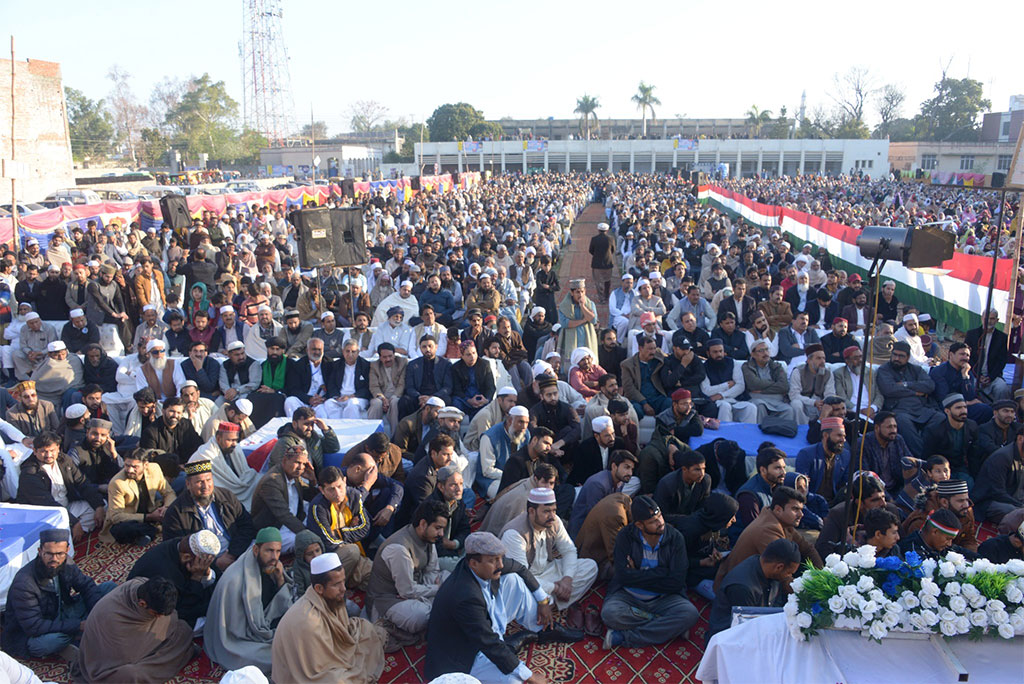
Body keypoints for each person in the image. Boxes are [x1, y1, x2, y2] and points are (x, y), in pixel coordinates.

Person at [424, 531, 567, 682]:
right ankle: (505, 647)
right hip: (463, 656)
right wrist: (529, 676)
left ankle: (542, 628)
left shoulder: (483, 566)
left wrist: (542, 601)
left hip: (480, 633)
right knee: (515, 681)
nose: (501, 565)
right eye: (494, 560)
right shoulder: (465, 595)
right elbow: (487, 642)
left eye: (500, 558)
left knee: (513, 579)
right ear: (473, 563)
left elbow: (520, 569)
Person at [1, 528, 115, 661]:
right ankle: (76, 637)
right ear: (40, 551)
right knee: (52, 641)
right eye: (49, 554)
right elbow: (34, 626)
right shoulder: (24, 583)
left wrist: (96, 613)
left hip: (62, 611)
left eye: (59, 554)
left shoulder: (67, 562)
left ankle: (80, 634)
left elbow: (86, 586)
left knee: (109, 588)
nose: (54, 559)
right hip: (34, 631)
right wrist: (79, 625)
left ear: (67, 550)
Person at [601, 495, 699, 649]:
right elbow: (622, 576)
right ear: (640, 525)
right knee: (609, 614)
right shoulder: (625, 536)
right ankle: (665, 624)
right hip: (628, 596)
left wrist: (636, 575)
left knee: (690, 614)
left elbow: (676, 582)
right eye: (653, 521)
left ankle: (623, 637)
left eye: (660, 517)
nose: (660, 523)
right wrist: (662, 572)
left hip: (664, 598)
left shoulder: (675, 538)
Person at [203, 527, 294, 674]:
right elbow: (235, 630)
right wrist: (266, 632)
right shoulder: (235, 580)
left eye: (278, 551)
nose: (274, 557)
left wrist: (280, 579)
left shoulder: (272, 566)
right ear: (256, 550)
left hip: (262, 624)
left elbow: (284, 602)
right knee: (279, 656)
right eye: (269, 550)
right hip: (239, 638)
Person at [75, 576, 196, 684]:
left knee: (184, 629)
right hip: (108, 666)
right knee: (132, 674)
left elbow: (169, 618)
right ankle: (175, 656)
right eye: (156, 614)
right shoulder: (112, 616)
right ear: (142, 604)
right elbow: (126, 657)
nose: (160, 617)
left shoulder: (143, 585)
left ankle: (170, 656)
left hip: (143, 647)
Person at [366, 499, 449, 647]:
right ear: (423, 524)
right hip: (389, 599)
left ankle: (433, 605)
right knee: (422, 616)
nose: (441, 533)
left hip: (414, 587)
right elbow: (407, 591)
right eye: (438, 528)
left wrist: (436, 588)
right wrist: (437, 589)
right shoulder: (399, 549)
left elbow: (432, 570)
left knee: (449, 579)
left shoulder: (428, 538)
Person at [500, 487, 597, 611]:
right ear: (531, 511)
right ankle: (549, 602)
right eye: (546, 511)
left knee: (590, 566)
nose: (552, 516)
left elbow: (569, 550)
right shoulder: (514, 534)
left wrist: (567, 579)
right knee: (523, 590)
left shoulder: (554, 521)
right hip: (527, 579)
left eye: (554, 510)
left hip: (549, 570)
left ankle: (550, 604)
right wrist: (555, 588)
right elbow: (522, 576)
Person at [715, 486, 822, 590]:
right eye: (795, 509)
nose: (801, 514)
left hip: (758, 583)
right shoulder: (768, 529)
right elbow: (783, 574)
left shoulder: (782, 522)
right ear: (778, 509)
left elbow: (808, 549)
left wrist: (822, 575)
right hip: (738, 589)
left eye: (801, 510)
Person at [163, 456, 257, 574]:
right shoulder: (176, 512)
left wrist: (232, 554)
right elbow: (179, 549)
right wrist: (215, 563)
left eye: (208, 480)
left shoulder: (226, 496)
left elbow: (247, 525)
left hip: (235, 550)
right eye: (199, 482)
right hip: (204, 563)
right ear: (188, 484)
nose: (205, 486)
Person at [17, 431, 106, 543]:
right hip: (46, 515)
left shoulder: (64, 460)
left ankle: (70, 535)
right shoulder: (30, 473)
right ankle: (65, 537)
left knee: (101, 507)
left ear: (58, 448)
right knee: (51, 534)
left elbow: (82, 482)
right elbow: (47, 503)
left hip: (66, 506)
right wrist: (73, 522)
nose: (49, 455)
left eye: (52, 451)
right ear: (35, 451)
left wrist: (98, 505)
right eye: (44, 451)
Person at [706, 538, 800, 643]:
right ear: (779, 567)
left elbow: (776, 603)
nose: (789, 577)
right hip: (729, 638)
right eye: (789, 573)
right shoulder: (743, 587)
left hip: (757, 626)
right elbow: (745, 630)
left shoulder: (768, 570)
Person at [127, 530, 221, 628]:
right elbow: (183, 611)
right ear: (186, 557)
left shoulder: (183, 546)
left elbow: (216, 574)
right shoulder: (165, 575)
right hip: (153, 611)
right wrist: (196, 578)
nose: (205, 565)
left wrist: (207, 573)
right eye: (204, 562)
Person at [304, 465, 373, 587]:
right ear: (322, 490)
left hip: (351, 552)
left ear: (345, 481)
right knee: (352, 551)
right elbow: (328, 542)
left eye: (340, 487)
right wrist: (350, 530)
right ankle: (330, 589)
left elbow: (365, 528)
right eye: (331, 489)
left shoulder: (355, 496)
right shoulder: (318, 507)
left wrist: (339, 532)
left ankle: (349, 581)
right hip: (330, 555)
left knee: (376, 575)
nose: (338, 493)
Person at [100, 448, 176, 546]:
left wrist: (166, 508)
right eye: (127, 465)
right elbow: (116, 517)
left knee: (177, 508)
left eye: (135, 466)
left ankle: (147, 532)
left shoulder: (154, 468)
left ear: (145, 465)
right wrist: (149, 517)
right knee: (121, 530)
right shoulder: (117, 483)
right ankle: (155, 529)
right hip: (131, 518)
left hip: (151, 509)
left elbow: (169, 493)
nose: (130, 470)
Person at [252, 443, 318, 553]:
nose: (300, 468)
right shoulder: (272, 481)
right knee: (308, 543)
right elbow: (284, 515)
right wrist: (307, 534)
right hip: (275, 531)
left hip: (292, 525)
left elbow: (312, 497)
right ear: (284, 461)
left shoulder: (294, 476)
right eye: (297, 463)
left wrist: (313, 480)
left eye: (303, 464)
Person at [192, 421, 260, 508]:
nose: (234, 444)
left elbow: (245, 472)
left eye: (236, 440)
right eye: (230, 440)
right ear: (218, 438)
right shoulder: (206, 455)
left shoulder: (236, 448)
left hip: (238, 485)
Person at [570, 450, 636, 538]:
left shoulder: (621, 480)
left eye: (632, 469)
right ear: (614, 466)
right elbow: (594, 516)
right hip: (582, 531)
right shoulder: (598, 484)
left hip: (602, 525)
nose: (630, 473)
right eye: (626, 467)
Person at [902, 478, 980, 553]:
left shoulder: (965, 511)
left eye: (967, 500)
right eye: (960, 501)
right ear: (944, 502)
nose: (966, 505)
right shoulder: (923, 521)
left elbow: (969, 540)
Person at [267, 406, 341, 473]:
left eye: (312, 424)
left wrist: (325, 429)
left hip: (313, 481)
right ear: (294, 424)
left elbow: (333, 448)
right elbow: (285, 472)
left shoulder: (314, 437)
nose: (310, 428)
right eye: (306, 424)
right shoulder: (285, 443)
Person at [700, 339, 757, 423]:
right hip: (717, 402)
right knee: (725, 406)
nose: (719, 354)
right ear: (708, 353)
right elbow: (706, 390)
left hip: (735, 399)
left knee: (751, 407)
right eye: (715, 352)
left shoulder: (733, 363)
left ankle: (748, 434)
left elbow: (740, 386)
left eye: (720, 351)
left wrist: (721, 395)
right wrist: (726, 385)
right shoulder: (703, 367)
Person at [795, 417, 851, 502]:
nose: (843, 440)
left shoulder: (845, 455)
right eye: (839, 435)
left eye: (844, 436)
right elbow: (802, 487)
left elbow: (845, 485)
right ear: (825, 435)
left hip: (835, 504)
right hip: (811, 502)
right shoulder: (806, 454)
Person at [741, 339, 795, 423]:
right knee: (760, 406)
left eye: (767, 349)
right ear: (753, 354)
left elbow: (784, 386)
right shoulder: (747, 366)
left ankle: (784, 434)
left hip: (777, 400)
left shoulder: (777, 366)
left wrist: (763, 390)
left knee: (788, 410)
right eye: (761, 351)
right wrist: (774, 383)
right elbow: (754, 384)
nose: (765, 353)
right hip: (757, 399)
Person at [654, 449, 712, 527]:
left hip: (694, 520)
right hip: (671, 524)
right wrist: (687, 520)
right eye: (697, 469)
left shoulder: (705, 480)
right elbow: (662, 514)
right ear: (684, 469)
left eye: (703, 469)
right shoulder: (667, 484)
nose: (702, 473)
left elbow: (704, 506)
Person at [787, 343, 835, 425]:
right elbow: (794, 395)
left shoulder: (828, 373)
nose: (822, 361)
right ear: (809, 360)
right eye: (818, 358)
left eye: (824, 358)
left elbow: (830, 393)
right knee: (796, 404)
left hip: (820, 403)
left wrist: (824, 402)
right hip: (803, 402)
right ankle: (802, 429)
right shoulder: (798, 371)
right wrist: (813, 402)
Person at [368, 342, 408, 434]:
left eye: (390, 356)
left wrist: (393, 397)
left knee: (395, 402)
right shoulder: (374, 366)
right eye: (384, 357)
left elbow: (401, 384)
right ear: (380, 357)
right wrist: (382, 398)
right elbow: (374, 386)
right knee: (376, 404)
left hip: (396, 395)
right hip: (380, 396)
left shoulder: (402, 363)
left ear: (394, 355)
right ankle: (371, 436)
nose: (388, 359)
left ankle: (395, 437)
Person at [898, 508, 964, 559]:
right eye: (948, 539)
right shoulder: (911, 550)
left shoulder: (941, 546)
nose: (949, 544)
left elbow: (960, 551)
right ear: (935, 531)